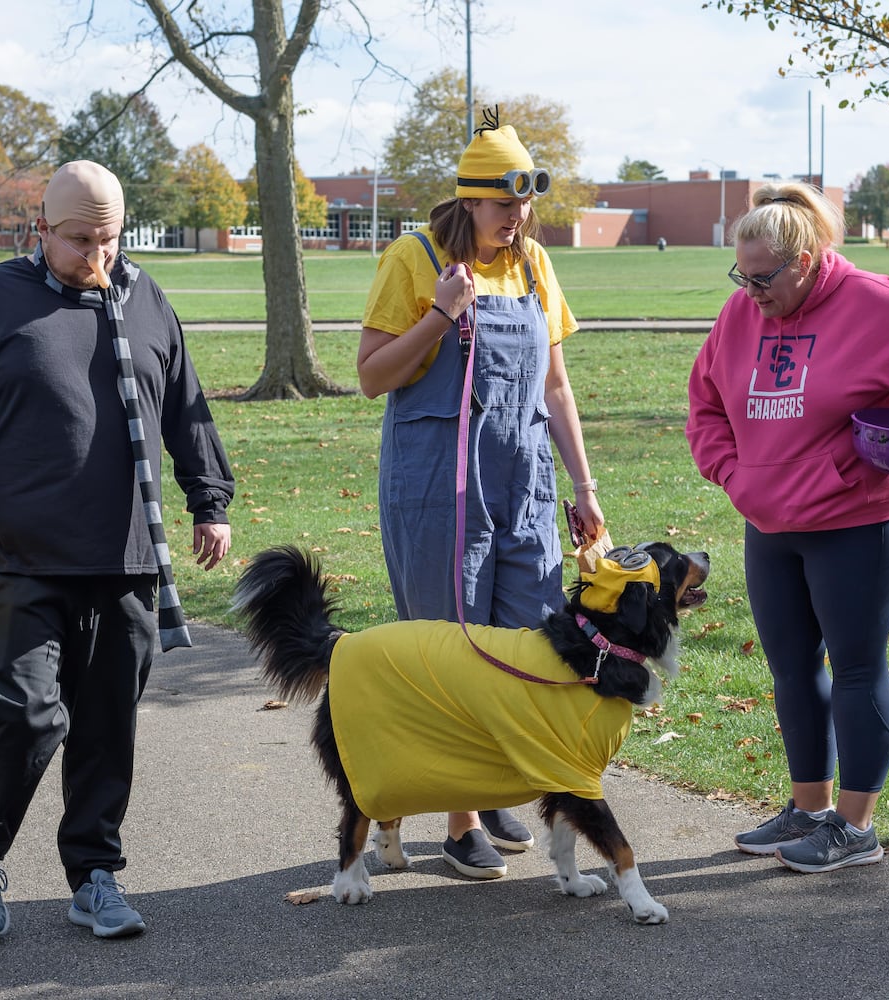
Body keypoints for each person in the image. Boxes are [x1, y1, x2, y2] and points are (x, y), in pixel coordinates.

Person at [0, 160, 235, 938]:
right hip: (22, 552)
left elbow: (184, 405)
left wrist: (209, 499)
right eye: (80, 240)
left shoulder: (145, 297)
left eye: (110, 239)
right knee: (23, 712)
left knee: (106, 723)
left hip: (125, 556)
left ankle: (94, 873)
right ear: (41, 230)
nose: (97, 257)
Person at [686, 182, 889, 874]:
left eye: (763, 277)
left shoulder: (878, 306)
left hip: (855, 520)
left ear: (804, 261)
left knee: (857, 666)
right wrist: (737, 478)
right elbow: (706, 406)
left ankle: (856, 827)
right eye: (739, 277)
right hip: (768, 518)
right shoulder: (740, 315)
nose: (749, 291)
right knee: (790, 670)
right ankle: (808, 809)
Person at [356, 109, 605, 879]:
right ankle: (460, 818)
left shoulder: (533, 264)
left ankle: (493, 782)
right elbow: (372, 376)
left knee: (525, 645)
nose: (517, 219)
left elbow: (555, 385)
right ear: (469, 201)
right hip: (437, 489)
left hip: (523, 485)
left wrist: (584, 485)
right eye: (504, 207)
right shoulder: (414, 257)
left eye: (525, 206)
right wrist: (440, 314)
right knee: (451, 645)